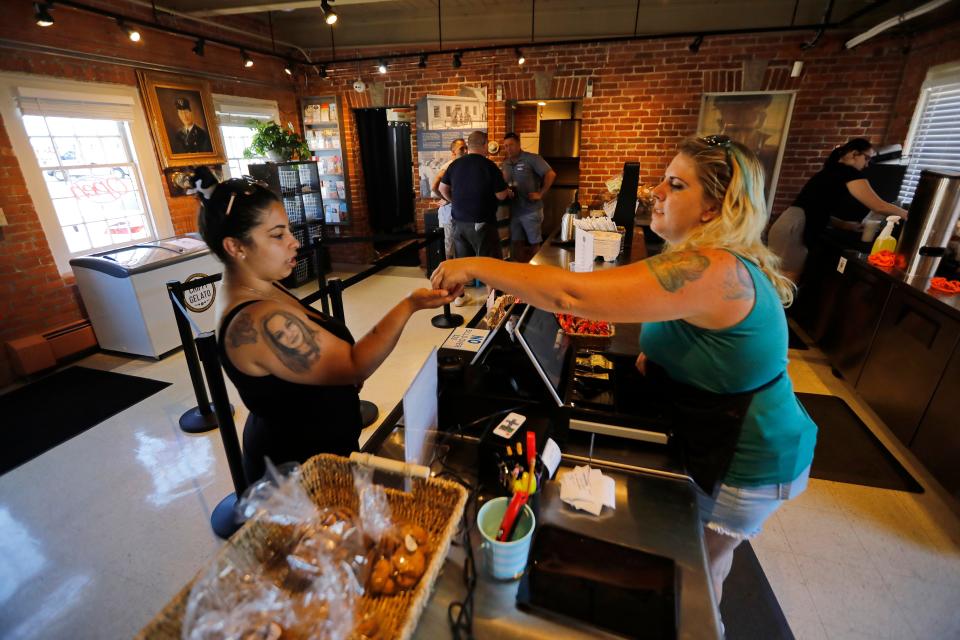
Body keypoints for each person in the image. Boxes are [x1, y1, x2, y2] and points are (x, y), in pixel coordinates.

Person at [432, 136, 818, 609]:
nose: (655, 190)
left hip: (747, 452)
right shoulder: (700, 260)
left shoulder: (713, 269)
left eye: (675, 185)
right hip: (719, 429)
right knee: (706, 565)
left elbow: (570, 296)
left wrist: (472, 265)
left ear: (713, 207)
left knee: (699, 579)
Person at [193, 167, 456, 483]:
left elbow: (309, 365)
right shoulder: (255, 320)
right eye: (277, 235)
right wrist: (410, 304)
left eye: (288, 230)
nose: (293, 242)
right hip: (301, 470)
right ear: (235, 247)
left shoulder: (263, 284)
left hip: (323, 451)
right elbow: (353, 363)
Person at [768, 138, 907, 282]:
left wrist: (844, 225)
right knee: (785, 282)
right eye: (866, 158)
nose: (867, 165)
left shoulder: (832, 170)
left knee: (778, 280)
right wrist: (908, 215)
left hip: (788, 224)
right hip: (795, 229)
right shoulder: (849, 173)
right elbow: (879, 206)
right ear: (854, 154)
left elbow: (816, 208)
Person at [438, 131, 511, 267]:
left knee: (462, 267)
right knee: (490, 266)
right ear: (484, 144)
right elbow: (501, 195)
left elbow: (442, 189)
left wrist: (454, 201)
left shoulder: (454, 165)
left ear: (469, 146)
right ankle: (491, 289)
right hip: (482, 223)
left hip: (459, 223)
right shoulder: (489, 166)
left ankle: (458, 288)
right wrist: (507, 190)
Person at [501, 132, 557, 263]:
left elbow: (551, 174)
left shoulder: (532, 159)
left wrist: (541, 193)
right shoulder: (505, 164)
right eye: (505, 146)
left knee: (534, 243)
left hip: (531, 210)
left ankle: (535, 274)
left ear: (519, 144)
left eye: (511, 145)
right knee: (516, 242)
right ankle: (520, 273)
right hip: (513, 211)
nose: (508, 148)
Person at [431, 137, 473, 307]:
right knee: (449, 253)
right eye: (461, 149)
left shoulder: (465, 167)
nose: (464, 151)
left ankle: (459, 293)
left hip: (461, 215)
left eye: (466, 148)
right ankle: (454, 293)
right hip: (449, 215)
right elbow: (435, 186)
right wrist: (449, 200)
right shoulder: (448, 166)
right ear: (453, 152)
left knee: (459, 253)